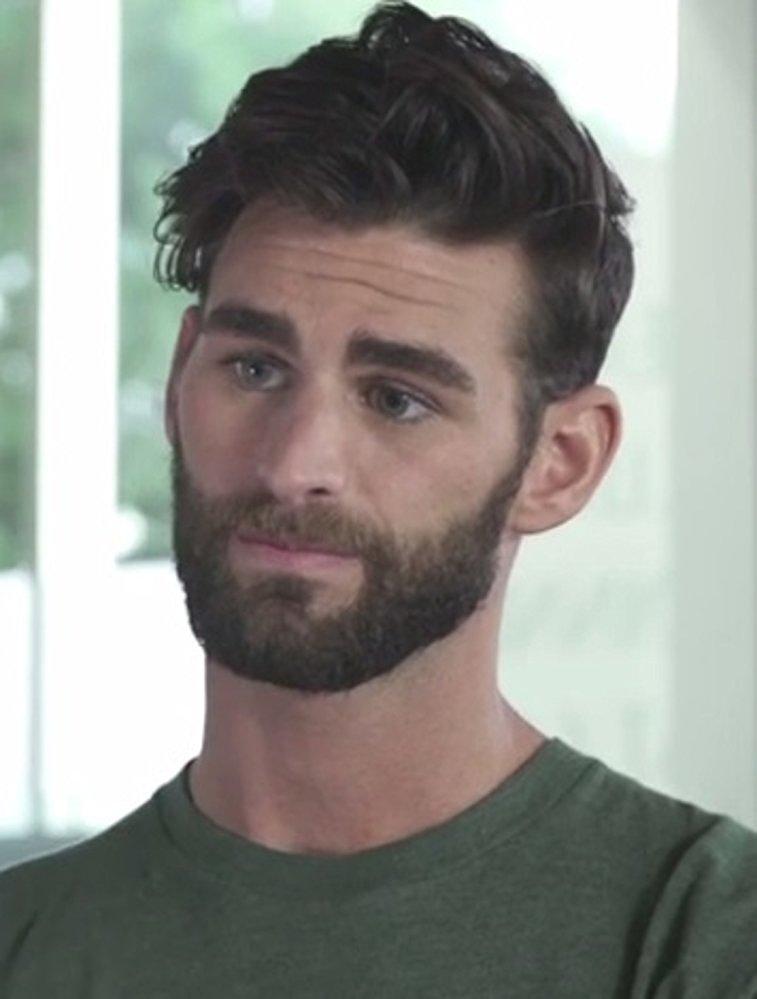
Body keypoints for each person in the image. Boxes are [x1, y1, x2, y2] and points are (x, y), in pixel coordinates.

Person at [2, 3, 757, 996]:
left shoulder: (703, 939)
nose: (294, 465)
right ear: (182, 378)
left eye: (397, 398)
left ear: (560, 462)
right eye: (254, 368)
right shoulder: (24, 944)